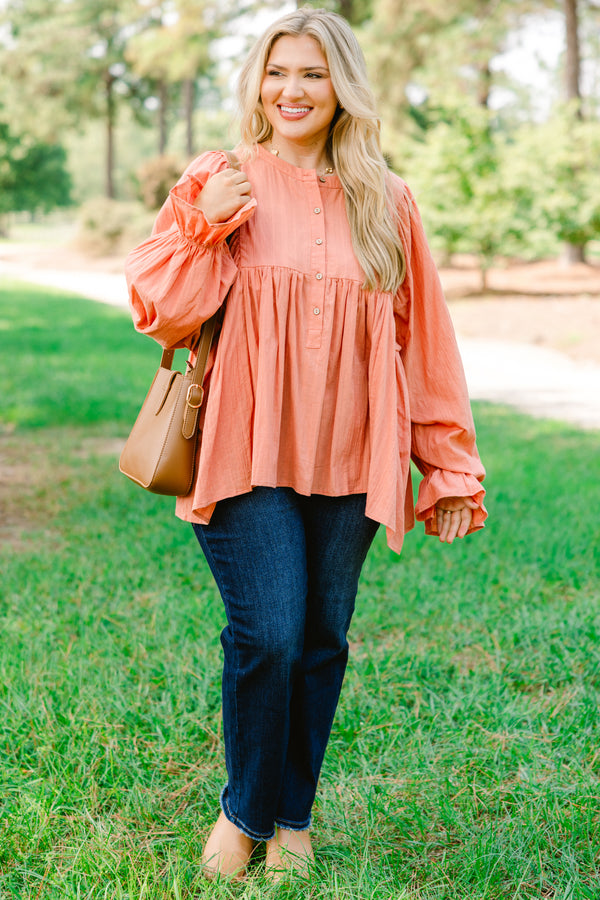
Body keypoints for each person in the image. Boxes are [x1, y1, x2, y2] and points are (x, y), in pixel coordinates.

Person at [125, 6, 487, 881]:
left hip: (354, 451)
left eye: (313, 74)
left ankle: (294, 815)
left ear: (343, 88)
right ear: (257, 82)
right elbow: (161, 308)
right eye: (277, 71)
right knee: (271, 634)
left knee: (323, 635)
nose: (292, 90)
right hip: (244, 446)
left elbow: (422, 339)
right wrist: (203, 223)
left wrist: (446, 463)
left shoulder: (387, 199)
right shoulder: (224, 179)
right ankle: (244, 811)